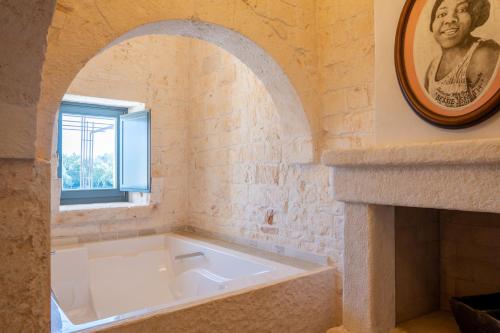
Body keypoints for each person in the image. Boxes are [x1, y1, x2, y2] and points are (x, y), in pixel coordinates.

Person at [424, 0, 499, 108]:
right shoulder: (432, 68)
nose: (449, 20)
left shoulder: (485, 53)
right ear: (432, 24)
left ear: (473, 17)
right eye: (442, 14)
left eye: (461, 10)